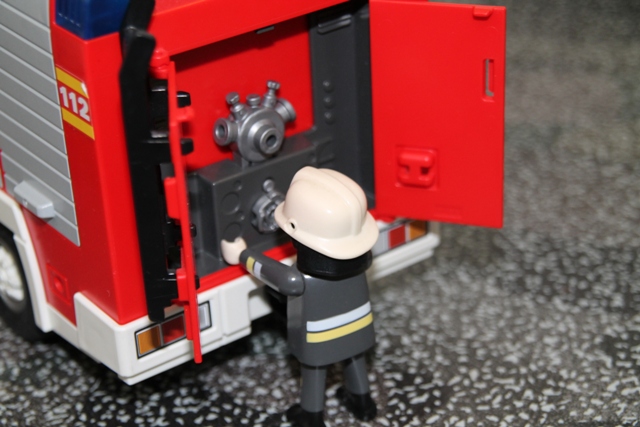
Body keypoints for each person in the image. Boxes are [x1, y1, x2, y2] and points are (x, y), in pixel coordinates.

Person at [221, 166, 379, 427]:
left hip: (318, 339)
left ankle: (311, 416)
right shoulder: (359, 266)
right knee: (355, 359)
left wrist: (241, 254)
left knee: (315, 372)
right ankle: (363, 403)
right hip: (358, 329)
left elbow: (265, 270)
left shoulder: (296, 280)